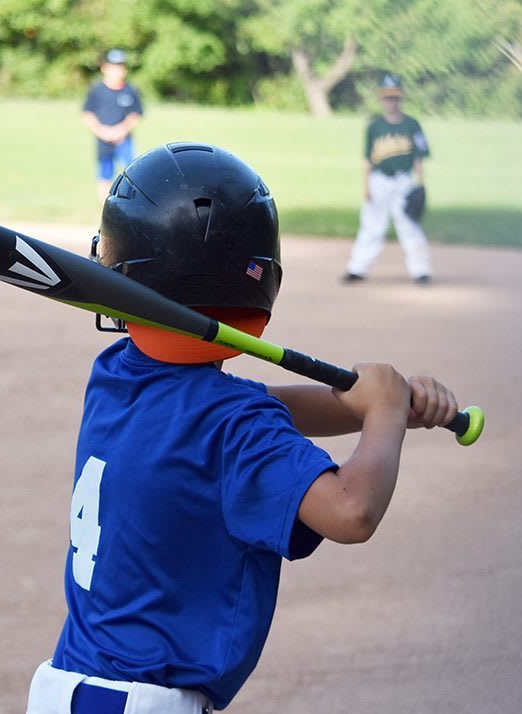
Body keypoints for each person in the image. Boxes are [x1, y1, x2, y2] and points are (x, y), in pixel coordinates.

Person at [25, 143, 461, 714]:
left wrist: (372, 404)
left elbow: (255, 409)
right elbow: (351, 512)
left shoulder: (116, 378)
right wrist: (380, 416)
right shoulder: (234, 428)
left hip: (69, 689)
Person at [344, 73, 433, 285]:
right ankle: (357, 268)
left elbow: (419, 158)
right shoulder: (374, 126)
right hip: (379, 181)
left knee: (410, 226)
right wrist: (366, 186)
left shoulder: (412, 125)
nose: (391, 101)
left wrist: (420, 184)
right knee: (371, 226)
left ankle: (421, 270)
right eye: (387, 97)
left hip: (404, 182)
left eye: (394, 97)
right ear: (381, 98)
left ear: (401, 97)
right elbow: (368, 159)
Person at [82, 49, 144, 199]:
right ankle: (105, 205)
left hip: (124, 139)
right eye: (113, 66)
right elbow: (87, 113)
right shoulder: (97, 90)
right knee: (104, 174)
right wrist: (101, 131)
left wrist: (121, 130)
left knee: (133, 172)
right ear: (104, 68)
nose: (117, 71)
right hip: (103, 138)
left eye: (120, 67)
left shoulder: (130, 90)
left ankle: (132, 204)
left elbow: (135, 114)